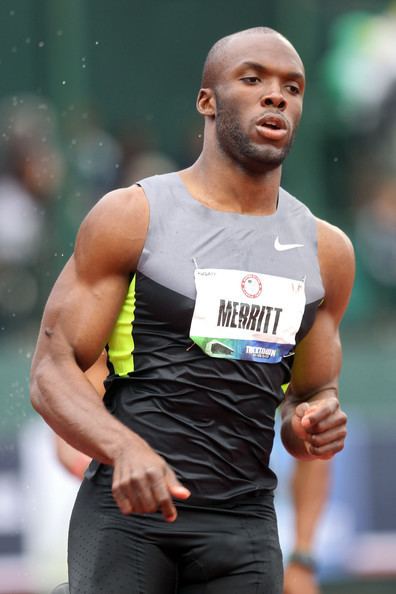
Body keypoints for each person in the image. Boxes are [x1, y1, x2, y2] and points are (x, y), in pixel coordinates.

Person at [30, 27, 354, 594]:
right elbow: (51, 370)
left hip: (245, 528)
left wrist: (313, 419)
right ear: (208, 101)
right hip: (130, 518)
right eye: (252, 79)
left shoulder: (327, 252)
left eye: (292, 87)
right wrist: (124, 447)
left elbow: (311, 397)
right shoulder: (132, 216)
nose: (276, 95)